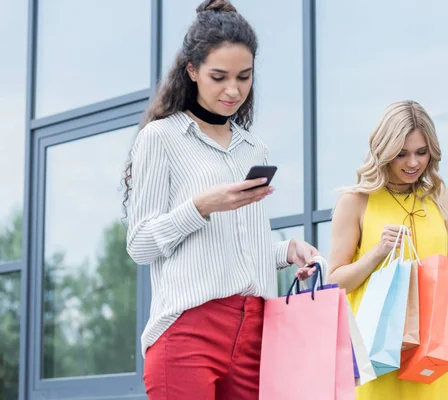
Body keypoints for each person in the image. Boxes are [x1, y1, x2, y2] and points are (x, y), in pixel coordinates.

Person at [123, 1, 319, 398]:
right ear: (192, 71)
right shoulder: (160, 139)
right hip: (188, 331)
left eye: (244, 77)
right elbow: (140, 245)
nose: (234, 90)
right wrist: (201, 206)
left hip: (257, 330)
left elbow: (239, 249)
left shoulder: (253, 148)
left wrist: (287, 251)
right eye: (219, 77)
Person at [326, 100, 448, 399]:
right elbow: (335, 281)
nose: (413, 163)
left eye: (421, 152)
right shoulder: (355, 202)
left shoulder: (439, 195)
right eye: (401, 154)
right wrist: (377, 253)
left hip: (435, 349)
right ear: (384, 152)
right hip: (379, 353)